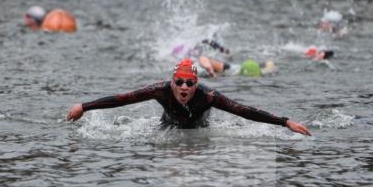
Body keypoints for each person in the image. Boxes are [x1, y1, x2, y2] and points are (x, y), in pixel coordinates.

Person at [66, 59, 311, 135]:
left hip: (199, 131)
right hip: (168, 128)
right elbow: (121, 99)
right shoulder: (159, 90)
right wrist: (84, 107)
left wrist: (285, 122)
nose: (184, 87)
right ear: (172, 82)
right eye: (179, 82)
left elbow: (244, 110)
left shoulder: (209, 96)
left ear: (196, 84)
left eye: (190, 83)